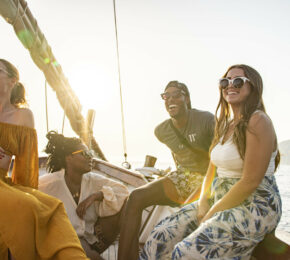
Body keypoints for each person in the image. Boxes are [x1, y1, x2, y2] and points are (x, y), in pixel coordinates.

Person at [139, 65, 282, 259]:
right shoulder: (224, 124)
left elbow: (250, 182)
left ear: (253, 87)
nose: (230, 85)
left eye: (238, 81)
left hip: (255, 203)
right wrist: (204, 201)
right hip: (220, 195)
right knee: (159, 236)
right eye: (225, 81)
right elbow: (211, 170)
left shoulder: (258, 121)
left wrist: (212, 212)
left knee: (185, 252)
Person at [0, 59, 89, 260]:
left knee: (51, 207)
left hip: (3, 184)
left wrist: (28, 193)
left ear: (13, 80)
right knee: (25, 207)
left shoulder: (23, 116)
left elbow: (26, 167)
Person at [118, 80, 215, 260]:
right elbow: (178, 153)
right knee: (135, 197)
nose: (170, 99)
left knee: (187, 217)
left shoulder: (206, 120)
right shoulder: (161, 131)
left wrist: (204, 190)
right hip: (182, 176)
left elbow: (218, 158)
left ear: (187, 99)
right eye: (166, 96)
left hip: (209, 177)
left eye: (176, 95)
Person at [39, 131, 129, 259]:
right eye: (85, 154)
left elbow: (123, 191)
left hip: (89, 239)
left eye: (91, 154)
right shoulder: (48, 184)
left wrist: (96, 196)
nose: (90, 157)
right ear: (68, 158)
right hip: (62, 242)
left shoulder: (91, 180)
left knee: (127, 203)